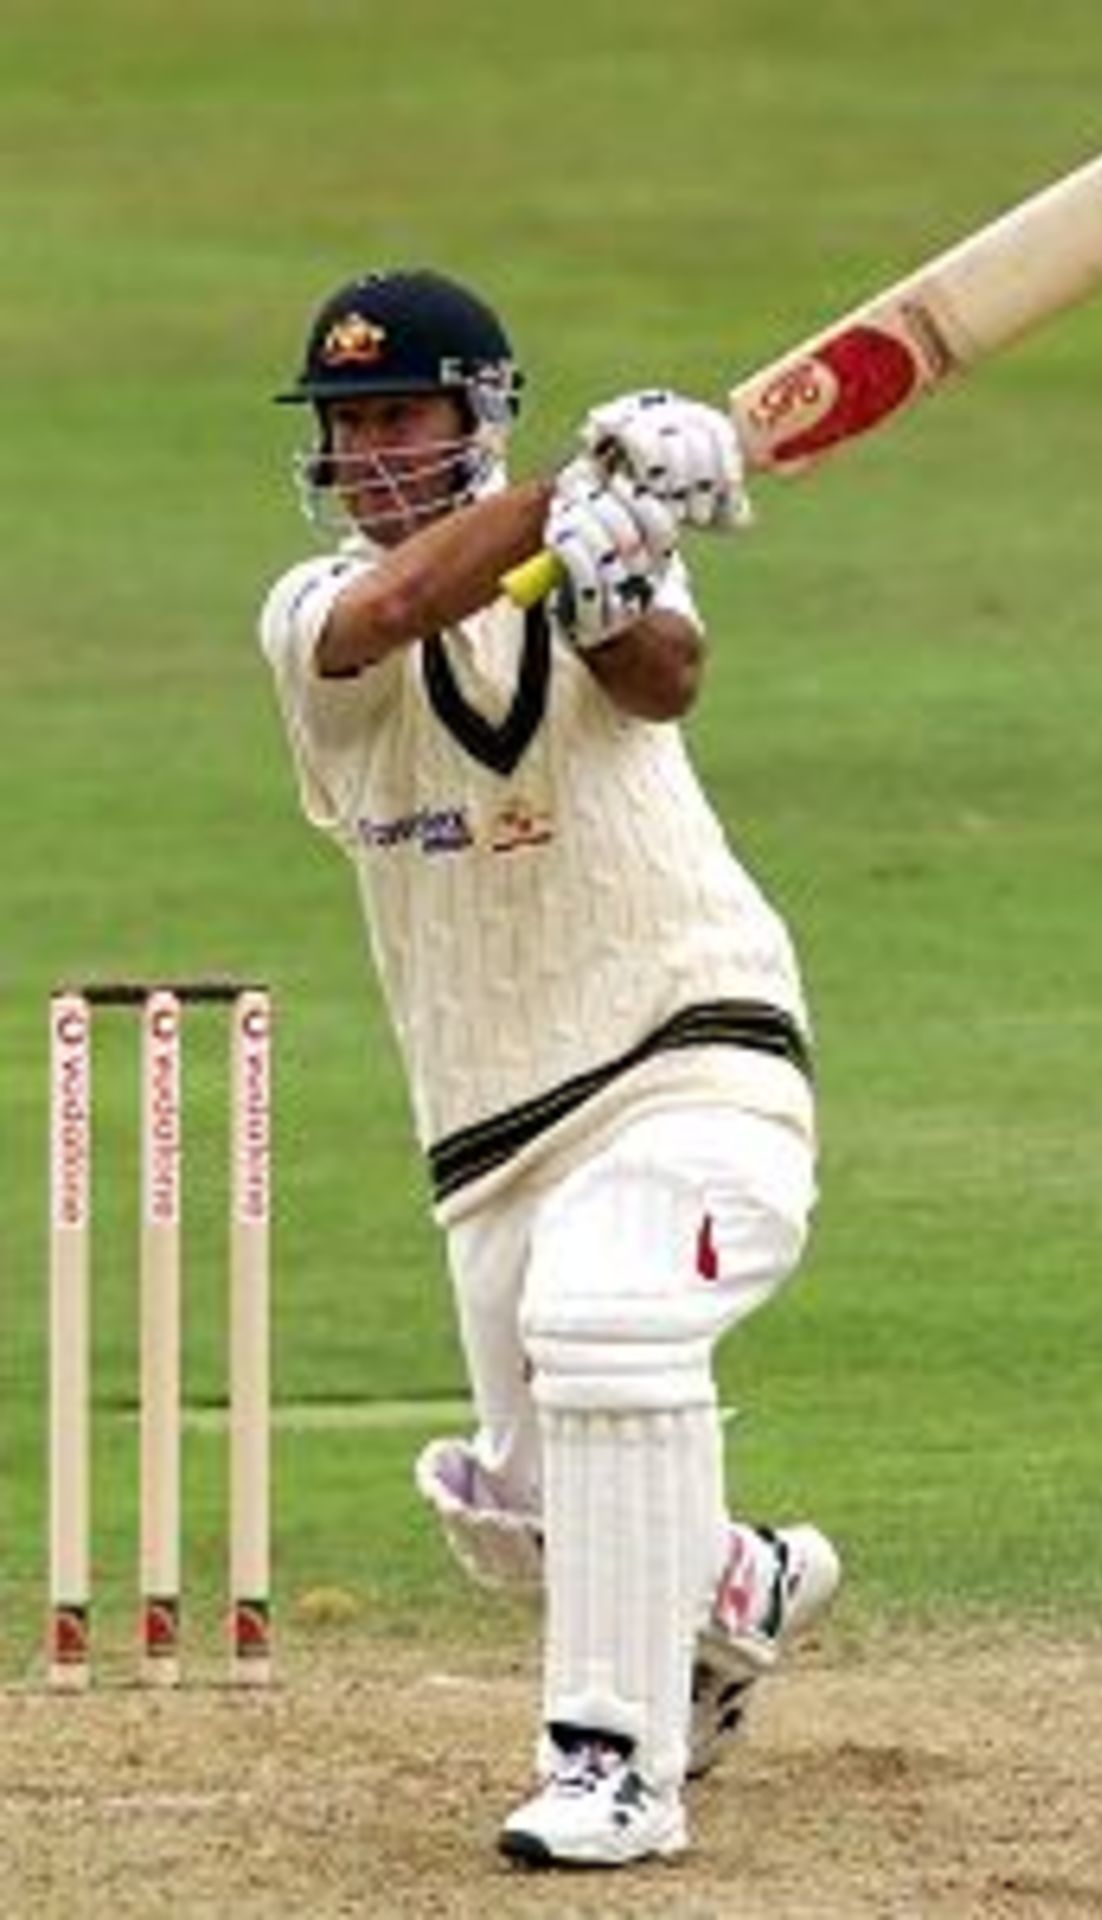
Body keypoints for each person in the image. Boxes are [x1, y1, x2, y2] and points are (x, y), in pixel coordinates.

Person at [258, 266, 841, 1870]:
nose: (374, 451)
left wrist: (605, 575)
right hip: (494, 1126)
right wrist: (564, 499)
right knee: (520, 1516)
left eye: (404, 415)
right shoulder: (309, 618)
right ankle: (735, 1586)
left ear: (476, 414)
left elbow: (665, 681)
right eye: (350, 423)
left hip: (690, 1046)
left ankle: (613, 1765)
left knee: (609, 1314)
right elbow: (389, 614)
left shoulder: (606, 561)